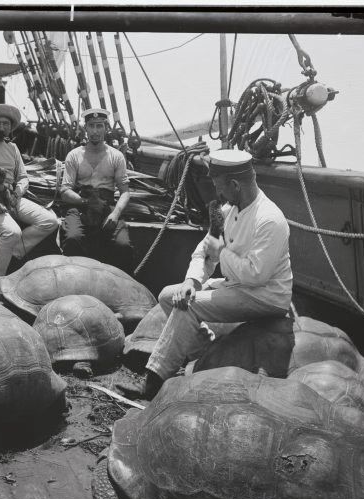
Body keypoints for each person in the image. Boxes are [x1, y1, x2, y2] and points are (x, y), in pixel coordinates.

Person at [119, 150, 293, 399]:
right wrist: (192, 281)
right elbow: (203, 252)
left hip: (265, 295)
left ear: (235, 185)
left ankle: (154, 381)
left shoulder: (269, 220)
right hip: (238, 285)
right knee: (170, 296)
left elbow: (257, 275)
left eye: (219, 186)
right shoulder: (228, 210)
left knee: (187, 307)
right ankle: (207, 351)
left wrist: (221, 252)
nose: (217, 193)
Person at [0, 103, 60, 277]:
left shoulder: (13, 148)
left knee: (50, 220)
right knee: (12, 232)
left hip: (9, 196)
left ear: (10, 127)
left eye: (6, 124)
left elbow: (23, 177)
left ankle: (12, 251)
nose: (2, 127)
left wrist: (17, 194)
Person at [59, 108, 134, 271]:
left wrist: (115, 214)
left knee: (123, 245)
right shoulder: (74, 156)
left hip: (106, 208)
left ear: (106, 128)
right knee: (72, 239)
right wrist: (85, 202)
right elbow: (65, 191)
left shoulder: (116, 156)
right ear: (85, 128)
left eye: (99, 126)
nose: (95, 131)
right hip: (80, 207)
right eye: (91, 126)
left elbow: (125, 192)